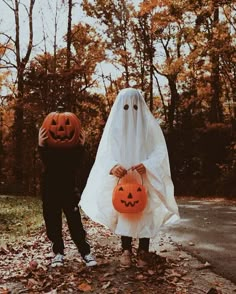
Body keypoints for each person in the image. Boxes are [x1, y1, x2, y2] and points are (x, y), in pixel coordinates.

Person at [80, 88, 179, 268]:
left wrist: (148, 165)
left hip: (144, 178)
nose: (130, 112)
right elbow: (104, 153)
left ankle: (143, 250)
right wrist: (112, 166)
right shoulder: (114, 129)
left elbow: (159, 151)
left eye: (134, 107)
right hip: (123, 180)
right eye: (125, 107)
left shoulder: (149, 128)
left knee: (145, 212)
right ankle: (126, 249)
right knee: (125, 211)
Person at [38, 125, 96, 268]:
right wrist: (41, 144)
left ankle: (85, 252)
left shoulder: (71, 152)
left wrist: (81, 146)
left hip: (69, 190)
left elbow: (77, 163)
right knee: (52, 222)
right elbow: (45, 160)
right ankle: (58, 252)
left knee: (75, 222)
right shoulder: (48, 151)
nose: (62, 130)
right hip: (50, 190)